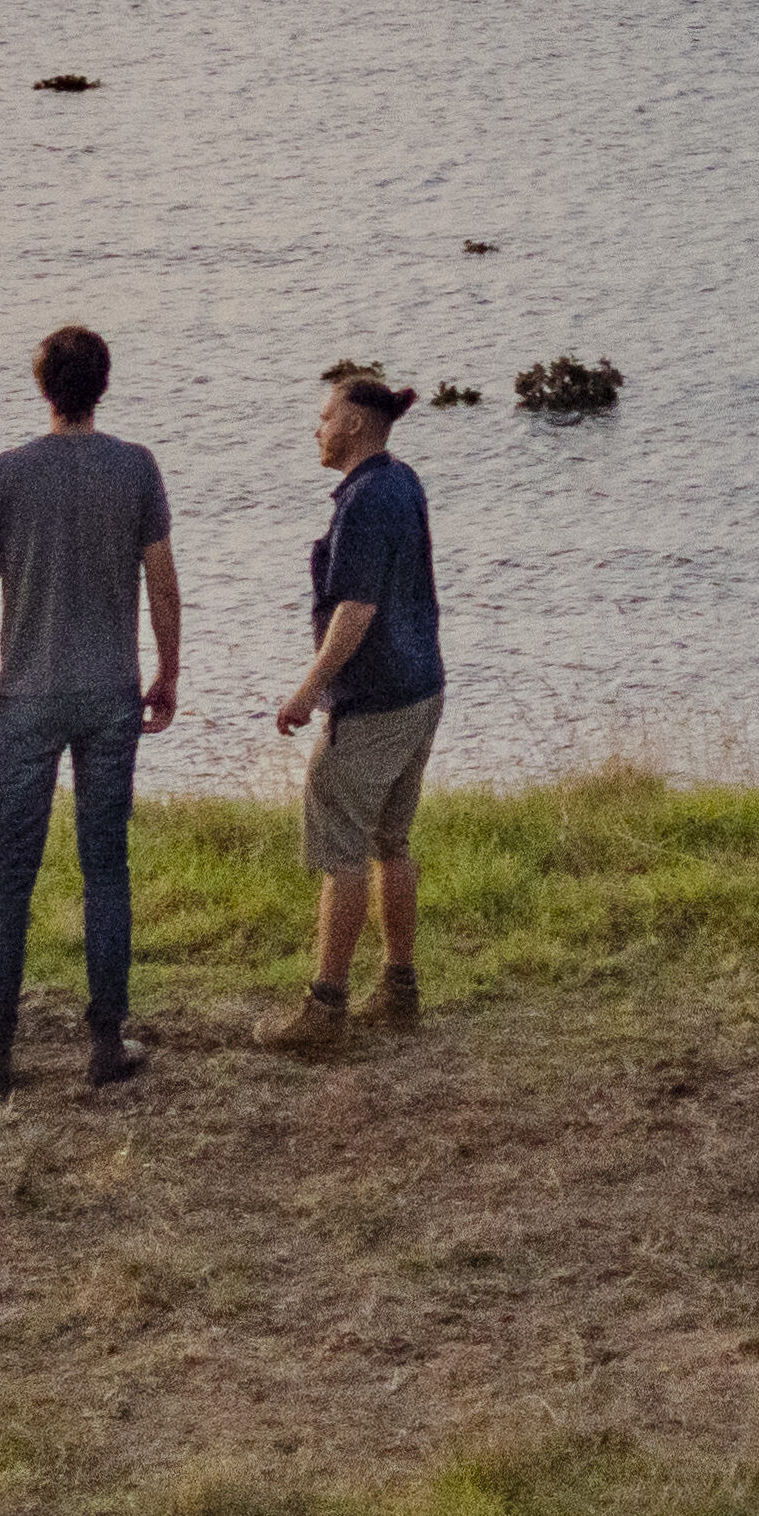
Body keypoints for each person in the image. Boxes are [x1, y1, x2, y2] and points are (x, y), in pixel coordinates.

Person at [0, 322, 179, 1091]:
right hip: (109, 689)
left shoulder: (8, 471)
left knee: (11, 870)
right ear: (104, 384)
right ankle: (106, 1039)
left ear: (42, 386)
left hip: (26, 693)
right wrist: (167, 670)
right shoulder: (135, 467)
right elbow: (161, 579)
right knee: (105, 867)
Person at [258, 360, 445, 1058]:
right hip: (422, 686)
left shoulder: (364, 499)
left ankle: (324, 1009)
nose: (318, 426)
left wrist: (308, 689)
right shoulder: (402, 480)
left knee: (340, 849)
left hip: (371, 701)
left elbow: (356, 607)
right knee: (389, 841)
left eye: (326, 414)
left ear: (356, 423)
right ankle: (398, 991)